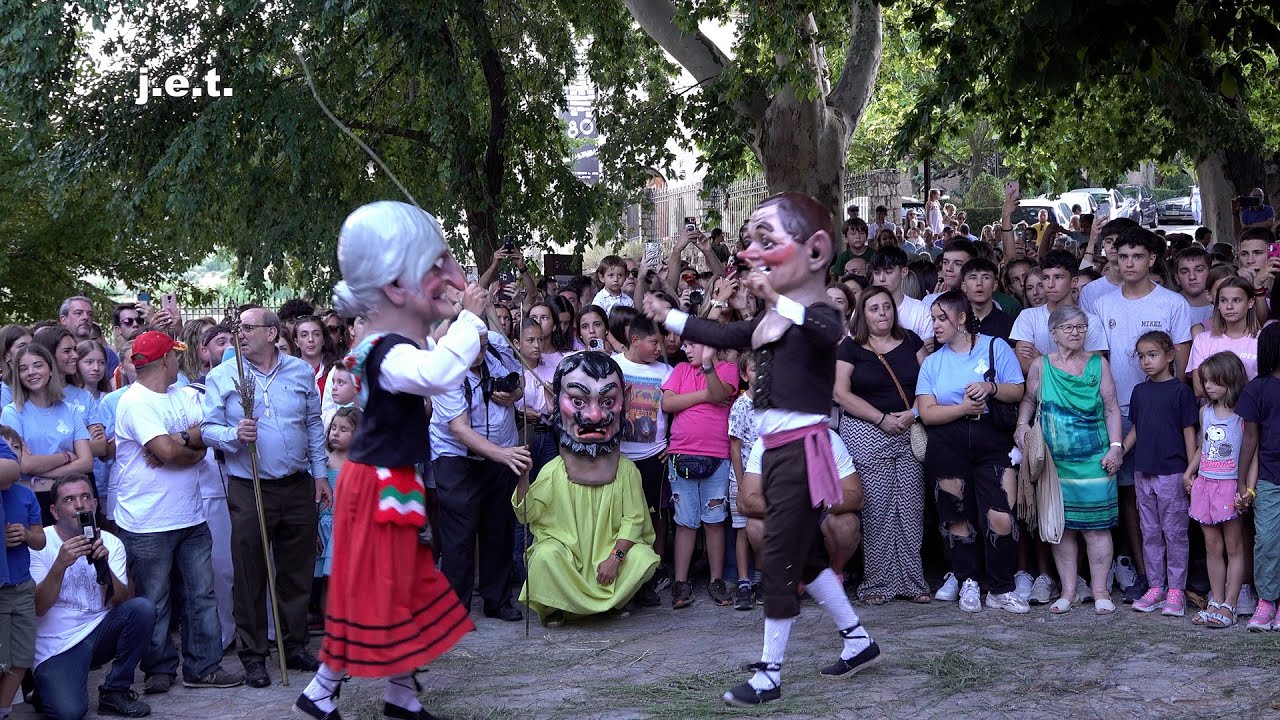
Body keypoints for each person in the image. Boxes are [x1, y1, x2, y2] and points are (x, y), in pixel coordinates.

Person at [644, 192, 882, 707]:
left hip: (801, 448)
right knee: (807, 554)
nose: (752, 252)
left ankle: (770, 674)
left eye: (766, 241)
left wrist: (776, 300)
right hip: (776, 450)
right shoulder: (776, 317)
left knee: (777, 554)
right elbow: (724, 329)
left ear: (815, 252)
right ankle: (857, 639)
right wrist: (671, 317)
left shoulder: (816, 310)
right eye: (752, 241)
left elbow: (831, 330)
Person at [294, 201, 490, 720]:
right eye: (437, 266)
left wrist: (461, 320)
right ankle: (322, 689)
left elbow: (437, 358)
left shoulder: (397, 343)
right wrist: (470, 315)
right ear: (397, 288)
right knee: (374, 585)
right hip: (378, 483)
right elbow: (437, 373)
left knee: (398, 584)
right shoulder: (390, 351)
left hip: (391, 480)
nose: (451, 277)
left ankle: (399, 695)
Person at [201, 306, 329, 688]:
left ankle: (294, 646)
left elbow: (312, 423)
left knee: (296, 570)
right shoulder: (224, 375)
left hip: (296, 482)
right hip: (249, 484)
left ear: (272, 334)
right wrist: (233, 434)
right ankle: (254, 655)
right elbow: (207, 428)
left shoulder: (300, 371)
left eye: (247, 328)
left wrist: (320, 475)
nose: (239, 334)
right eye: (237, 328)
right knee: (251, 571)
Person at [112, 331, 241, 693]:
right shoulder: (135, 402)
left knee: (201, 596)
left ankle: (203, 668)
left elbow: (201, 438)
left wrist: (182, 443)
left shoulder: (184, 394)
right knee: (155, 600)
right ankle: (159, 669)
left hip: (191, 516)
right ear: (164, 361)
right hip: (147, 520)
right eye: (174, 356)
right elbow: (167, 453)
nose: (178, 362)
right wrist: (187, 446)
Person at [514, 351, 659, 626]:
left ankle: (613, 600)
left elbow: (635, 519)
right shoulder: (553, 470)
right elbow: (527, 514)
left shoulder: (626, 470)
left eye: (607, 402)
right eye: (578, 401)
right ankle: (558, 607)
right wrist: (523, 478)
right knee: (545, 556)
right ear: (556, 402)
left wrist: (615, 557)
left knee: (640, 556)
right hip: (569, 556)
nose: (594, 415)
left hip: (608, 551)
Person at [1093, 227, 1193, 605]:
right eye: (1122, 257)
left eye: (1137, 256)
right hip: (1118, 411)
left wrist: (1167, 405)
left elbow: (1180, 365)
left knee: (1172, 501)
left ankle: (1178, 583)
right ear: (1114, 259)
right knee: (1133, 498)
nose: (1129, 263)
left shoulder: (1172, 303)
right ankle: (1146, 575)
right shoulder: (1103, 304)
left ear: (1151, 259)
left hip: (1163, 413)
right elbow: (1100, 360)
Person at [916, 291, 1026, 614]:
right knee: (955, 515)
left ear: (961, 318)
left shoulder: (996, 347)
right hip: (947, 442)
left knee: (1001, 515)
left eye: (941, 318)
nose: (935, 325)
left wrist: (990, 388)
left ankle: (1000, 587)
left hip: (992, 439)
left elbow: (1017, 389)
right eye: (933, 319)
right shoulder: (933, 362)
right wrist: (962, 408)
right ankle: (968, 581)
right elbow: (927, 411)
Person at [1015, 305, 1124, 613]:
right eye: (1068, 328)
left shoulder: (1098, 364)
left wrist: (1116, 446)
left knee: (1097, 528)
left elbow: (1112, 407)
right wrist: (1022, 425)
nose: (1076, 333)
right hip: (1053, 462)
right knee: (1061, 528)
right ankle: (1068, 590)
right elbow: (1027, 400)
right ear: (1053, 333)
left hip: (1095, 459)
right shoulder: (1040, 365)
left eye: (1080, 327)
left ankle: (1101, 591)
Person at [833, 286, 930, 604]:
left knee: (911, 508)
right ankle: (878, 584)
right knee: (878, 509)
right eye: (874, 308)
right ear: (862, 313)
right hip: (866, 431)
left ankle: (913, 582)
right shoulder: (850, 347)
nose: (882, 313)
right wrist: (880, 419)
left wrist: (913, 412)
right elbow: (840, 393)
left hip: (908, 428)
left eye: (886, 307)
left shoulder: (912, 341)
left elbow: (928, 382)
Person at [31, 475, 154, 720]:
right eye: (70, 499)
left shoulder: (111, 543)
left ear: (95, 504)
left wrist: (105, 567)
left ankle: (115, 691)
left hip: (98, 631)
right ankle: (44, 690)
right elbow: (38, 607)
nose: (80, 505)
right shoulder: (40, 544)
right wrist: (59, 565)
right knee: (69, 713)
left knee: (143, 608)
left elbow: (122, 602)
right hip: (57, 645)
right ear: (55, 511)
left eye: (86, 497)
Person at [430, 329, 528, 623]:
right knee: (459, 534)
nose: (482, 351)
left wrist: (514, 395)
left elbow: (519, 382)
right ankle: (455, 608)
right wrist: (505, 455)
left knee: (498, 527)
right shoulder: (445, 371)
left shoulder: (495, 348)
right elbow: (459, 430)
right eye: (476, 347)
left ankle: (497, 600)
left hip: (501, 448)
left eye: (484, 345)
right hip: (457, 457)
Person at [1122, 331, 1197, 617]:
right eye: (1141, 356)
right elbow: (1137, 430)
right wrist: (1120, 452)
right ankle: (1156, 587)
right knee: (1150, 532)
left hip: (1173, 473)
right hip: (1144, 472)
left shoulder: (1181, 392)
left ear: (1169, 355)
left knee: (1175, 533)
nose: (1146, 362)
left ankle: (1176, 590)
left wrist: (1191, 472)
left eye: (1152, 355)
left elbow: (1189, 433)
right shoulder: (1140, 392)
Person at [660, 338, 738, 608]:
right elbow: (668, 404)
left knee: (714, 521)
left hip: (717, 455)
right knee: (685, 522)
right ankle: (681, 582)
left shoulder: (727, 369)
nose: (685, 349)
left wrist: (707, 368)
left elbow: (720, 393)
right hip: (681, 454)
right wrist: (705, 396)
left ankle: (716, 580)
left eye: (692, 344)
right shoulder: (680, 370)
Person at [610, 315, 673, 608]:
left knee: (653, 517)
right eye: (653, 342)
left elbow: (675, 414)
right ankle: (618, 576)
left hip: (653, 457)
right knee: (619, 519)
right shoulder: (614, 367)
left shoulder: (666, 372)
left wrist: (672, 444)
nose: (659, 348)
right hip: (619, 459)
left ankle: (648, 576)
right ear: (635, 340)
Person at [1184, 352, 1248, 627]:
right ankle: (1215, 599)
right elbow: (1202, 445)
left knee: (1233, 546)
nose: (1207, 386)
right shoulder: (1205, 411)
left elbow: (1250, 453)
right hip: (1205, 484)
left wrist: (1247, 488)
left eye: (1214, 381)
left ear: (1230, 380)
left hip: (1230, 485)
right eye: (1205, 381)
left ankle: (1231, 604)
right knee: (1212, 546)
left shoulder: (1242, 415)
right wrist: (1190, 472)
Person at [1, 345, 92, 525]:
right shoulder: (13, 412)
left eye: (37, 365)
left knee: (80, 549)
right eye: (23, 369)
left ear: (50, 369)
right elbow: (25, 464)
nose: (31, 372)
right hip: (32, 499)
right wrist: (66, 456)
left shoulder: (70, 410)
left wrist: (42, 472)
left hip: (71, 499)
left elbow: (86, 462)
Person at [1237, 323, 1280, 631]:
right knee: (1266, 540)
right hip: (1268, 477)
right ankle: (1267, 601)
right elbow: (1249, 439)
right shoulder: (1257, 388)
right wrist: (1242, 482)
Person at [0, 430, 39, 718]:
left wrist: (25, 534)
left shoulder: (25, 495)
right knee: (2, 657)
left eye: (15, 448)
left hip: (22, 584)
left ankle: (3, 708)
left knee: (23, 654)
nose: (10, 453)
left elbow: (40, 539)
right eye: (5, 448)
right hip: (2, 588)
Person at [315, 407, 360, 621]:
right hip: (328, 529)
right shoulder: (322, 464)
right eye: (333, 427)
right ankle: (330, 625)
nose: (335, 433)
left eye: (343, 429)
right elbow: (314, 501)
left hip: (353, 529)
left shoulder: (361, 465)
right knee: (330, 580)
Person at [1187, 277, 1260, 398]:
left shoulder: (1262, 340)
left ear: (1250, 302)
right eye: (1223, 300)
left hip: (1252, 414)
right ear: (1218, 305)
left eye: (1236, 300)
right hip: (1213, 414)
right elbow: (1199, 389)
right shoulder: (1203, 340)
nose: (1229, 306)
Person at [870, 246, 933, 345]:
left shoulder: (921, 311)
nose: (881, 278)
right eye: (877, 273)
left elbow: (927, 354)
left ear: (904, 272)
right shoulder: (862, 309)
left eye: (888, 272)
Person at [293, 316, 338, 395]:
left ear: (323, 340)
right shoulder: (290, 371)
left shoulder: (336, 370)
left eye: (316, 334)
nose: (311, 339)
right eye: (304, 335)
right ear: (296, 342)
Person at [1174, 247, 1214, 330]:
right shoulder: (1170, 307)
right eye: (1184, 272)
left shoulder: (1223, 305)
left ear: (1210, 274)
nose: (1192, 277)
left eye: (1199, 270)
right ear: (1177, 278)